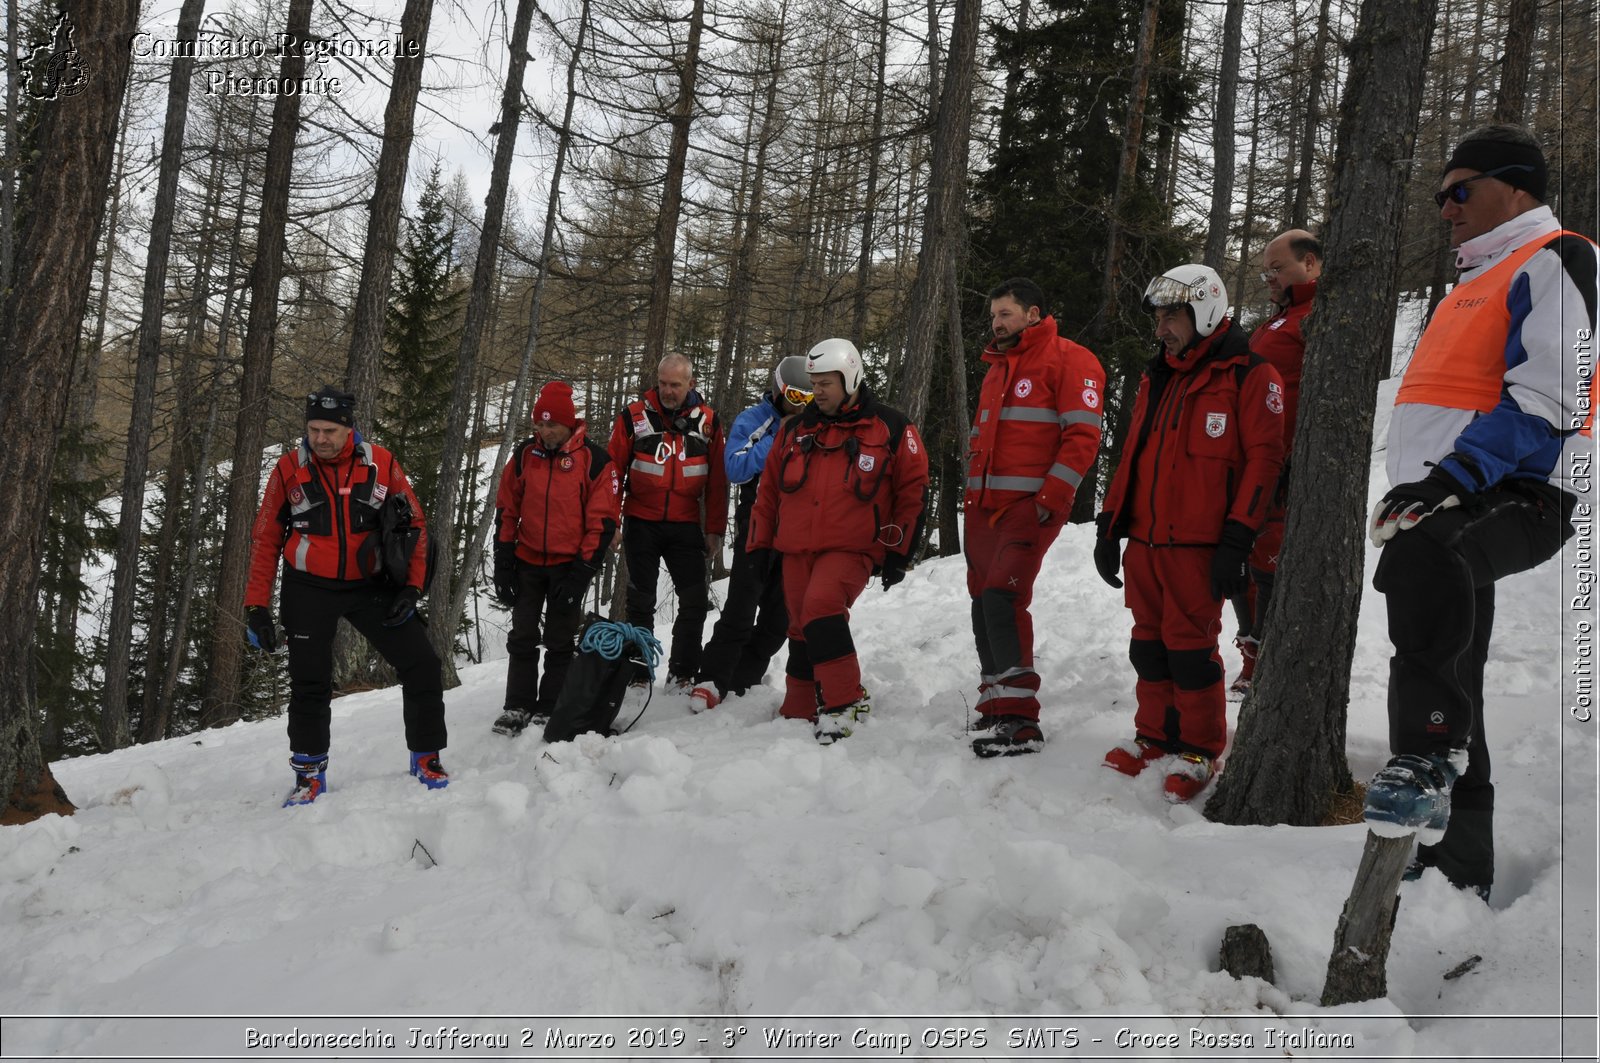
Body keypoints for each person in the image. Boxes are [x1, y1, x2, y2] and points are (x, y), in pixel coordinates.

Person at [1362, 125, 1595, 900]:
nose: (1445, 208)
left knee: (1428, 558)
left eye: (1460, 190)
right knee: (1449, 657)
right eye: (1440, 196)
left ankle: (1428, 753)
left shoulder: (1561, 257)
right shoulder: (1472, 283)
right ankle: (1457, 866)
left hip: (1530, 486)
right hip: (1462, 490)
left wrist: (1449, 479)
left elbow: (1552, 393)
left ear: (1516, 189)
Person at [1094, 266, 1285, 802]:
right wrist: (1111, 526)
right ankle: (1154, 737)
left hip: (1201, 547)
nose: (1161, 329)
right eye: (1158, 318)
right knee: (1147, 646)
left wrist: (1237, 539)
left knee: (1190, 649)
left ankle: (1199, 748)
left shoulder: (1249, 373)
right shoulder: (1160, 375)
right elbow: (1131, 455)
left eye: (1171, 317)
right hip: (1146, 544)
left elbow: (1264, 463)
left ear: (1204, 311)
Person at [244, 386, 448, 806]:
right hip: (309, 586)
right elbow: (265, 539)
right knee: (309, 683)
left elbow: (416, 525)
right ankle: (309, 774)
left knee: (422, 663)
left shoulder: (380, 463)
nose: (320, 438)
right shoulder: (288, 469)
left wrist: (411, 588)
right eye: (314, 429)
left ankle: (426, 755)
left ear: (349, 429)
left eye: (330, 431)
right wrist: (256, 607)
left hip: (369, 585)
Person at [748, 338, 929, 744]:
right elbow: (769, 492)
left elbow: (913, 491)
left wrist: (899, 553)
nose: (818, 391)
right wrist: (759, 546)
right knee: (799, 620)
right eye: (814, 383)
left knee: (821, 607)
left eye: (826, 382)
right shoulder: (795, 428)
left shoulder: (891, 426)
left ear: (850, 379)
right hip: (797, 546)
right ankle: (800, 702)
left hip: (853, 546)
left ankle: (845, 700)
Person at [964, 278, 1106, 757]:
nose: (996, 324)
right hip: (984, 510)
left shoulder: (1071, 358)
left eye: (1005, 314)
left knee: (1003, 597)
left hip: (1028, 509)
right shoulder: (997, 367)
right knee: (982, 600)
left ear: (1032, 313)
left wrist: (1049, 498)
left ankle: (1021, 723)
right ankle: (997, 704)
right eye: (992, 316)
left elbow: (1083, 437)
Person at [490, 380, 621, 737]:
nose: (545, 431)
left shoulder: (594, 461)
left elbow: (603, 522)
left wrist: (581, 574)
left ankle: (550, 705)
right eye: (540, 424)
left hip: (569, 564)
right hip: (528, 560)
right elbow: (507, 508)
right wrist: (503, 560)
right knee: (522, 635)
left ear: (569, 424)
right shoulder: (524, 456)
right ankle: (517, 704)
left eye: (552, 425)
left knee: (560, 638)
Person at [687, 356, 812, 714]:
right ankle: (711, 678)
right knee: (740, 611)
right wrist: (780, 435)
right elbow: (736, 468)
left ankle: (743, 678)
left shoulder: (817, 423)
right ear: (777, 389)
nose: (799, 404)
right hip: (757, 532)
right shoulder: (754, 420)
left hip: (797, 536)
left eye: (807, 397)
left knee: (779, 619)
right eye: (793, 395)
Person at [1229, 230, 1322, 699]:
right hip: (1248, 465)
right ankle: (1252, 654)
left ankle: (1264, 662)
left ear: (1310, 264)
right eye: (1265, 271)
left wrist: (1291, 460)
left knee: (1267, 569)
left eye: (1276, 269)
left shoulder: (1316, 317)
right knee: (1238, 567)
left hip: (1283, 472)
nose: (1269, 278)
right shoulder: (1273, 323)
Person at [607, 354, 729, 692]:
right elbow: (613, 471)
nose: (667, 391)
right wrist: (610, 521)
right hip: (640, 521)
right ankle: (639, 671)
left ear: (691, 384)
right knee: (640, 601)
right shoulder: (634, 416)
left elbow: (717, 481)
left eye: (675, 385)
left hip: (685, 523)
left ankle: (682, 672)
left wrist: (715, 529)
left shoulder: (707, 422)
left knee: (693, 600)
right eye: (662, 383)